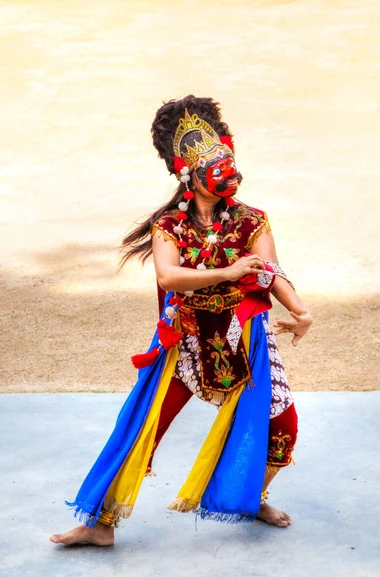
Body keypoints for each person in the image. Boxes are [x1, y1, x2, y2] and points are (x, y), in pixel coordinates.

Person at [50, 95, 312, 547]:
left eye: (229, 162)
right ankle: (100, 526)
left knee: (282, 428)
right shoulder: (169, 225)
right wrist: (228, 272)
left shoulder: (253, 220)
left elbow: (270, 271)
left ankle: (251, 495)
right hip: (186, 345)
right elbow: (170, 276)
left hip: (244, 343)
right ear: (189, 175)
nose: (227, 172)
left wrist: (300, 309)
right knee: (144, 430)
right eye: (216, 166)